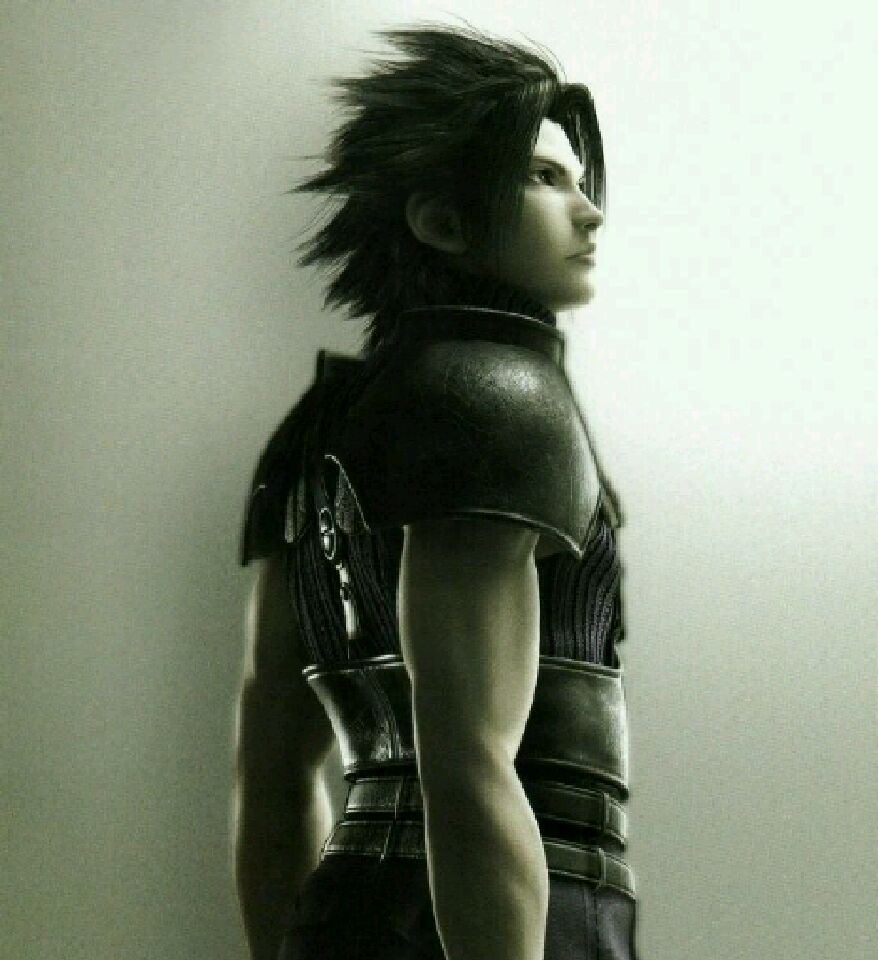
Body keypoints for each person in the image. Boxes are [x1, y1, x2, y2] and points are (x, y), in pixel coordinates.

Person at [234, 24, 637, 960]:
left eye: (580, 180)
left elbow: (273, 773)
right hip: (507, 912)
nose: (589, 213)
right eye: (544, 178)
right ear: (442, 223)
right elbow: (468, 758)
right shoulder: (497, 393)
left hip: (348, 916)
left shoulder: (316, 428)